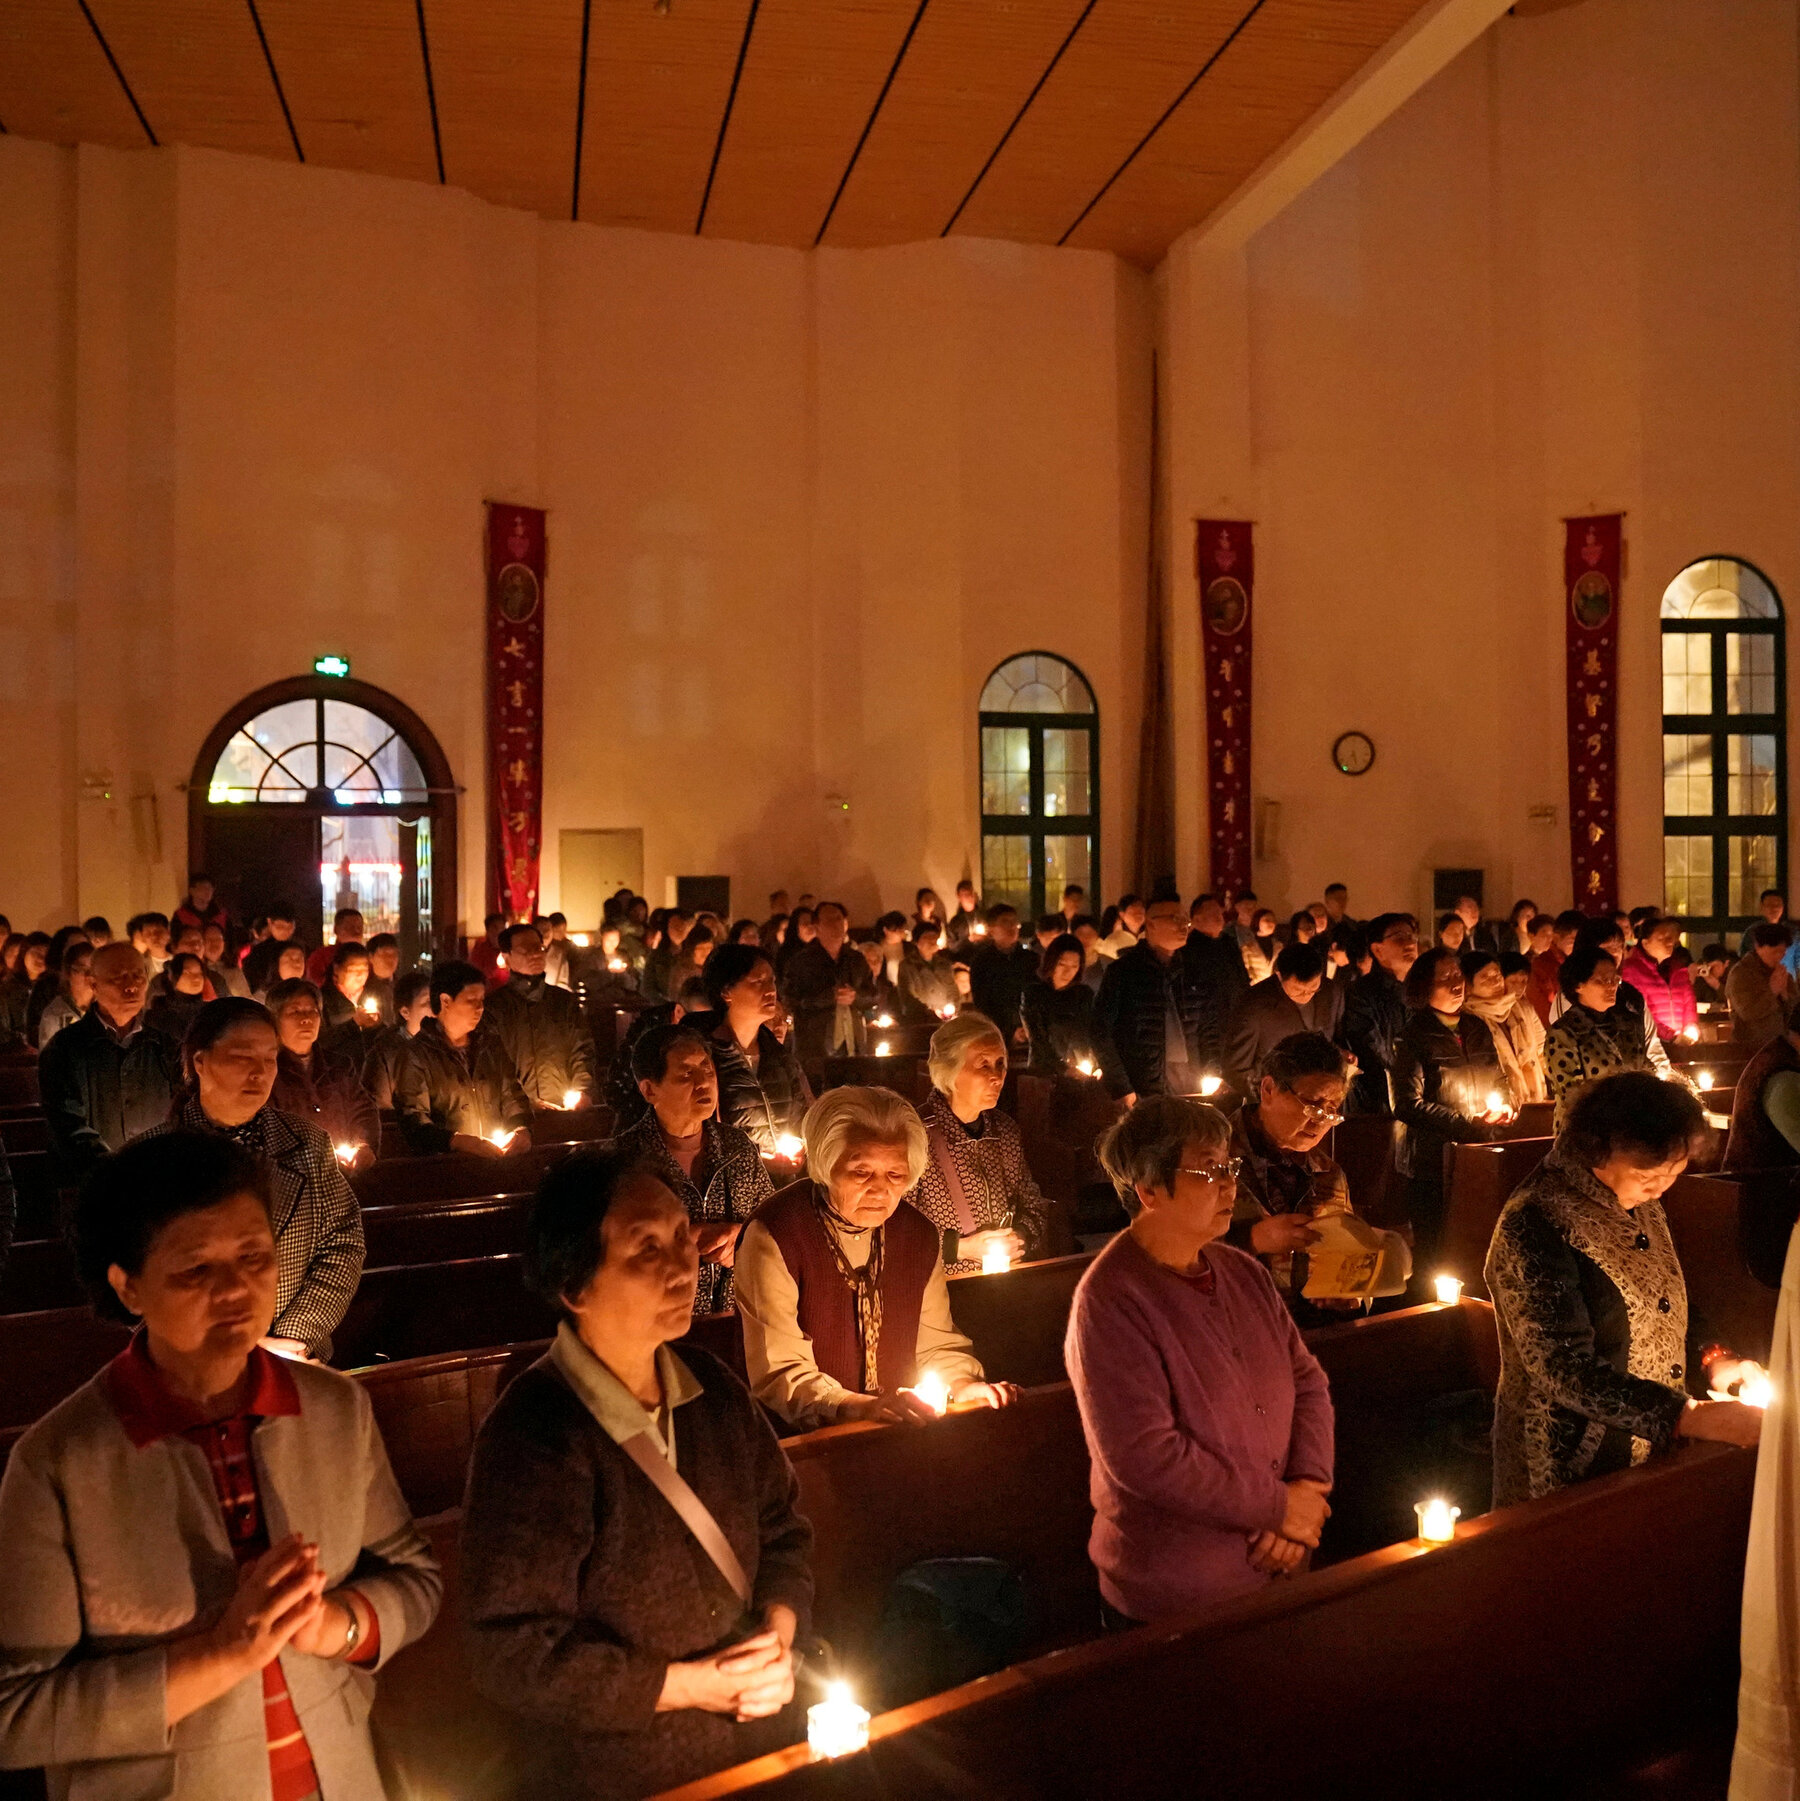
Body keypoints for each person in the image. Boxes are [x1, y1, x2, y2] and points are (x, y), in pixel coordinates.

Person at [0, 1131, 437, 1799]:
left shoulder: (333, 1409)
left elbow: (417, 1579)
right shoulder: (58, 1462)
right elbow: (16, 1714)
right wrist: (225, 1650)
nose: (237, 1289)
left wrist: (337, 1624)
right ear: (129, 1286)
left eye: (255, 1256)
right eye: (196, 1269)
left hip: (340, 1777)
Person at [459, 1149, 812, 1799]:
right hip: (619, 1778)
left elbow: (783, 1527)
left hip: (755, 1752)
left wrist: (778, 1634)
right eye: (645, 1247)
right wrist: (686, 1686)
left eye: (683, 1237)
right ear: (575, 1283)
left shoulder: (714, 1388)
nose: (682, 1266)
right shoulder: (537, 1433)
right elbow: (511, 1650)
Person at [1066, 1095, 1334, 1627]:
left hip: (1283, 1560)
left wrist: (1307, 1489)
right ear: (1148, 1190)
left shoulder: (1241, 1270)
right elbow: (1146, 1455)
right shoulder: (1111, 1299)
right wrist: (1278, 1509)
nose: (1230, 1184)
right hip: (1176, 1591)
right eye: (1206, 1170)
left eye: (1229, 1166)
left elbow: (1306, 1381)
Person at [1486, 1073, 1761, 1505]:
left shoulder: (1637, 1199)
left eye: (1674, 1172)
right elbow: (1561, 1368)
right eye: (1649, 1176)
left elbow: (1665, 1300)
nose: (1661, 1189)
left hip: (1651, 1445)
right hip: (1570, 1463)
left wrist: (1715, 1356)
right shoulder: (1534, 1221)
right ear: (1597, 1149)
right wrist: (1688, 1416)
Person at [733, 1086, 1015, 1430]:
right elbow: (782, 1374)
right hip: (805, 1443)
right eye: (861, 1172)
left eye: (895, 1175)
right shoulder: (777, 1234)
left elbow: (936, 1342)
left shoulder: (917, 1235)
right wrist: (862, 1407)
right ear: (826, 1164)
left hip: (900, 1431)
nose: (880, 1190)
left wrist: (963, 1385)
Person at [130, 998, 366, 1355]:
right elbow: (131, 1271)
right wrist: (236, 1345)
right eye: (242, 1057)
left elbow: (342, 1241)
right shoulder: (150, 1159)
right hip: (193, 1362)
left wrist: (296, 1336)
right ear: (200, 1062)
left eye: (269, 1058)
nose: (259, 1072)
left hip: (293, 1355)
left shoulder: (307, 1144)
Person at [1226, 1033, 1405, 1319]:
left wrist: (1350, 1292)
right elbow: (1169, 1252)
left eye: (1332, 1109)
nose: (1321, 1120)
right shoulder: (1212, 1156)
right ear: (1269, 1089)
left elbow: (1346, 1256)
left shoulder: (1328, 1174)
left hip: (1306, 1338)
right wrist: (1252, 1239)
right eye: (1312, 1104)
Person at [614, 1023, 774, 1315]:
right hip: (656, 1322)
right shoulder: (626, 1160)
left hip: (736, 1318)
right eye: (687, 1073)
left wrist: (744, 1238)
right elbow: (610, 1250)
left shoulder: (736, 1147)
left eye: (707, 1069)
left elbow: (773, 1225)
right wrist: (680, 1240)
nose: (704, 1083)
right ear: (650, 1090)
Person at [1393, 947, 1511, 1279]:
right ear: (1424, 986)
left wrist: (1505, 1104)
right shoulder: (1412, 1036)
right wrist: (1463, 1124)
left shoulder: (1476, 1027)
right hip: (1432, 1160)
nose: (1455, 982)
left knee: (1475, 1242)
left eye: (1458, 974)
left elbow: (1498, 1076)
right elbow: (1406, 1103)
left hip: (1479, 1153)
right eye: (1444, 977)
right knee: (1436, 1249)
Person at [911, 1012, 1050, 1274]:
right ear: (949, 1069)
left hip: (1004, 1286)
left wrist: (1019, 1239)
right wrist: (959, 1249)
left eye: (1000, 1064)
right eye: (983, 1064)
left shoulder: (1005, 1131)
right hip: (942, 1289)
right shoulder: (915, 1136)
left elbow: (1033, 1203)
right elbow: (894, 1230)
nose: (997, 1076)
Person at [40, 941, 183, 1179]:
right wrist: (117, 1171)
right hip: (94, 1183)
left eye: (138, 976)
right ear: (93, 984)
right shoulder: (65, 1048)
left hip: (161, 1180)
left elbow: (183, 1111)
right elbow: (68, 1126)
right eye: (118, 978)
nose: (131, 987)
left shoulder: (165, 1045)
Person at [393, 959, 532, 1156]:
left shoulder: (490, 1046)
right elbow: (413, 1119)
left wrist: (521, 1129)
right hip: (448, 1166)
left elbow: (513, 1096)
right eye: (471, 1001)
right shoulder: (416, 1054)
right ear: (445, 1001)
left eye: (482, 1000)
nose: (480, 1008)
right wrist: (455, 1141)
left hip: (498, 1161)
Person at [692, 945, 811, 1160]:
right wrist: (757, 1160)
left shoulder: (779, 1056)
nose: (771, 990)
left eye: (772, 981)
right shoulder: (706, 1057)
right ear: (726, 992)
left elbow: (802, 1116)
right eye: (758, 982)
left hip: (782, 1184)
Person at [1543, 947, 1664, 1131]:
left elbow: (1644, 1068)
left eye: (1615, 979)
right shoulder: (1565, 1032)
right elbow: (1572, 1094)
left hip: (1630, 1130)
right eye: (1602, 980)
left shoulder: (1627, 1024)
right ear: (1578, 985)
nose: (1612, 986)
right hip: (1584, 1132)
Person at [265, 978, 381, 1165]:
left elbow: (363, 1109)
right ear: (275, 1019)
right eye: (295, 1011)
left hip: (342, 1176)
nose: (306, 1018)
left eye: (313, 1011)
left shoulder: (339, 1065)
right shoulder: (267, 1070)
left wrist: (364, 1145)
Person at [484, 923, 600, 1109]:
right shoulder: (494, 1007)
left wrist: (583, 1090)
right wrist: (522, 1103)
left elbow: (582, 1049)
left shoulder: (563, 1001)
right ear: (506, 957)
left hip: (564, 1108)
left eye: (539, 948)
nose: (536, 954)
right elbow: (490, 1065)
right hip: (514, 1114)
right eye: (525, 950)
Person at [1223, 942, 1343, 1095]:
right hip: (1275, 1097)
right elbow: (1236, 1070)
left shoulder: (1332, 992)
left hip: (1322, 1096)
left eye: (1313, 988)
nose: (1306, 995)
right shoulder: (1253, 1004)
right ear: (1279, 975)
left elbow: (1338, 1037)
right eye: (1298, 990)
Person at [1342, 912, 1420, 1115]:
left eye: (1412, 937)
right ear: (1377, 949)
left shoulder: (1422, 990)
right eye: (1399, 938)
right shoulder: (1363, 993)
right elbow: (1370, 1048)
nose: (1410, 944)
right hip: (1381, 1100)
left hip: (1422, 1094)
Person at [779, 900, 870, 1062]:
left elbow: (873, 994)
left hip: (854, 1042)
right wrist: (828, 997)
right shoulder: (802, 962)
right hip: (815, 1044)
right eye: (829, 920)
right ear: (817, 926)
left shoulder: (856, 959)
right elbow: (790, 1000)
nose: (836, 925)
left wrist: (855, 996)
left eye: (839, 919)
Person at [1461, 949, 1548, 1105]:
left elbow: (1543, 1050)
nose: (1495, 981)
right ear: (1468, 985)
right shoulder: (1467, 1019)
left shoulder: (1521, 1009)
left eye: (1497, 975)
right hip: (1496, 1105)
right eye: (1485, 977)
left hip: (1535, 1101)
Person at [1020, 932, 1101, 1075]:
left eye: (1074, 966)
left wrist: (1097, 1064)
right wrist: (1064, 1069)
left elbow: (1093, 1032)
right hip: (1045, 1073)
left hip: (1082, 1071)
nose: (1068, 972)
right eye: (1062, 964)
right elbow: (1038, 1040)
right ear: (1051, 962)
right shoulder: (1034, 994)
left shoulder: (1084, 995)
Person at [965, 904, 1037, 1048]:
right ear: (991, 929)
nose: (1012, 927)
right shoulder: (981, 962)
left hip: (1030, 1032)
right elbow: (983, 1003)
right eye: (1005, 922)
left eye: (1014, 922)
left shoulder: (1032, 959)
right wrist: (1009, 1031)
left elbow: (1037, 996)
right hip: (997, 1034)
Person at [364, 969, 434, 1111]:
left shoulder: (442, 1048)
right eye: (427, 1002)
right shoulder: (385, 1053)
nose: (435, 1009)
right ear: (405, 1012)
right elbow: (378, 1108)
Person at [1621, 915, 1699, 1043]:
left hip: (1682, 1042)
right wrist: (1669, 1036)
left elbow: (1689, 1001)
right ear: (1645, 943)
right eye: (1661, 938)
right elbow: (1639, 1012)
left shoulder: (1678, 969)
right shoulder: (1632, 971)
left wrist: (1691, 1026)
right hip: (1650, 1043)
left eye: (1670, 938)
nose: (1669, 943)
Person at [1731, 922, 1793, 1047]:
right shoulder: (1741, 973)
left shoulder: (1781, 973)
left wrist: (1786, 995)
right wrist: (1772, 991)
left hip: (1781, 1044)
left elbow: (1794, 1012)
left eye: (1783, 952)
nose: (1779, 957)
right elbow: (1747, 1012)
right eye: (1775, 952)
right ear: (1758, 946)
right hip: (1750, 1047)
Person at [36, 937, 95, 1049]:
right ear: (68, 973)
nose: (89, 976)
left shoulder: (106, 1009)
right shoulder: (54, 1014)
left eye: (93, 969)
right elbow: (48, 1060)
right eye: (81, 969)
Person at [1529, 910, 1585, 1026]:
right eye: (1573, 941)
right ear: (1556, 937)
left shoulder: (1581, 963)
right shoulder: (1542, 967)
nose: (1578, 946)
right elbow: (1544, 1010)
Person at [898, 920, 959, 1022]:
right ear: (917, 942)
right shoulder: (907, 966)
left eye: (934, 937)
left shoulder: (944, 964)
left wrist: (952, 1009)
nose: (932, 941)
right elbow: (907, 996)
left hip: (946, 1018)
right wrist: (930, 1012)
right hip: (921, 1019)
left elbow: (953, 990)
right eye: (927, 937)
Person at [145, 950, 209, 1041]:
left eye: (200, 973)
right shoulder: (156, 1016)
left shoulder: (210, 1013)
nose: (196, 978)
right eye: (187, 973)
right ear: (172, 976)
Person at [241, 903, 299, 996]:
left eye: (289, 927)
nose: (285, 932)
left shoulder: (299, 949)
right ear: (269, 922)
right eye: (280, 927)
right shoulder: (259, 954)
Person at [305, 907, 364, 988]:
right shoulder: (321, 956)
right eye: (350, 927)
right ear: (336, 929)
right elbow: (314, 984)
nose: (356, 931)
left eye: (359, 927)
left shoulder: (368, 955)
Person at [202, 921, 250, 998]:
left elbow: (246, 998)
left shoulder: (234, 971)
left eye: (217, 939)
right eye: (208, 939)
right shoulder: (198, 972)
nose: (213, 943)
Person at [172, 872, 229, 936]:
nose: (208, 891)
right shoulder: (181, 915)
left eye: (210, 888)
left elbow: (230, 940)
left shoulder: (221, 915)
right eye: (203, 887)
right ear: (191, 891)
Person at [363, 931, 401, 1021]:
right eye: (385, 954)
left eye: (394, 954)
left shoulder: (404, 988)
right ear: (371, 957)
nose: (390, 959)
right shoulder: (362, 989)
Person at [1741, 889, 1791, 956]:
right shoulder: (1753, 932)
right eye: (1769, 905)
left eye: (1778, 905)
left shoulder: (1792, 931)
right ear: (1761, 907)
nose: (1774, 908)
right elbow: (1745, 957)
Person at [468, 911, 507, 985]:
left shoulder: (510, 947)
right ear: (488, 930)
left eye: (502, 927)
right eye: (495, 927)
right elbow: (475, 973)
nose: (499, 931)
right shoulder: (480, 949)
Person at [1691, 942, 1733, 1007]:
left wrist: (1718, 986)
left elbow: (1735, 1001)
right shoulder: (1700, 976)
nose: (1710, 970)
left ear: (1726, 963)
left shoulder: (1733, 976)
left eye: (1715, 966)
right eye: (1708, 966)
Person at [944, 880, 983, 948]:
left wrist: (983, 938)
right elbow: (952, 947)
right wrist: (967, 940)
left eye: (970, 893)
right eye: (965, 894)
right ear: (959, 896)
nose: (969, 897)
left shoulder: (984, 916)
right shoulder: (955, 922)